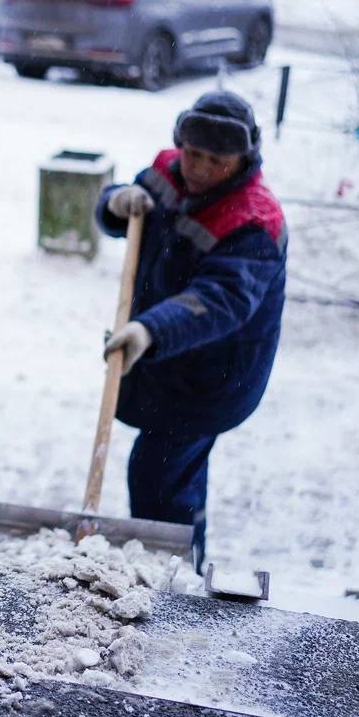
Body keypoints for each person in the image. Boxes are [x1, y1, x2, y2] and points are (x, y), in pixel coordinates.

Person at [96, 90, 286, 571]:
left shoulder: (254, 222)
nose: (199, 169)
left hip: (213, 375)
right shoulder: (168, 170)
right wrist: (117, 201)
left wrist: (149, 331)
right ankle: (179, 557)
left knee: (159, 474)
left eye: (216, 160)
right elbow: (129, 212)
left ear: (243, 157)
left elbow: (220, 300)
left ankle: (171, 571)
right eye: (193, 154)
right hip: (169, 359)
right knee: (175, 472)